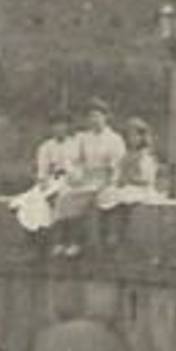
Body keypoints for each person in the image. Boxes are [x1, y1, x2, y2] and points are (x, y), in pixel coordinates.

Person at [52, 98, 126, 258]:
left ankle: (107, 242)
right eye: (91, 116)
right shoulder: (83, 138)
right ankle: (70, 241)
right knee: (66, 196)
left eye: (98, 115)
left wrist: (110, 181)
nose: (94, 120)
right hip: (86, 178)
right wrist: (75, 174)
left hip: (106, 178)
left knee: (106, 198)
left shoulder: (115, 139)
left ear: (106, 117)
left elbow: (117, 166)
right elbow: (74, 159)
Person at [9, 112, 78, 254]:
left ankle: (66, 241)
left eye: (62, 125)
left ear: (68, 127)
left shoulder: (75, 144)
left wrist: (71, 174)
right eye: (56, 125)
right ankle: (35, 240)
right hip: (51, 181)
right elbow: (42, 170)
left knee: (62, 197)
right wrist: (42, 182)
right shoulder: (45, 147)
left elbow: (79, 167)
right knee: (29, 201)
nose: (59, 129)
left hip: (70, 181)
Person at [96, 117, 161, 249]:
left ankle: (116, 234)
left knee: (122, 198)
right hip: (126, 187)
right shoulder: (125, 155)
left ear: (141, 137)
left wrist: (130, 180)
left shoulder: (146, 155)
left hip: (141, 189)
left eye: (134, 135)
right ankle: (107, 234)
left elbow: (148, 179)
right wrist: (117, 181)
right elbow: (118, 173)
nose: (131, 139)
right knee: (106, 195)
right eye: (128, 135)